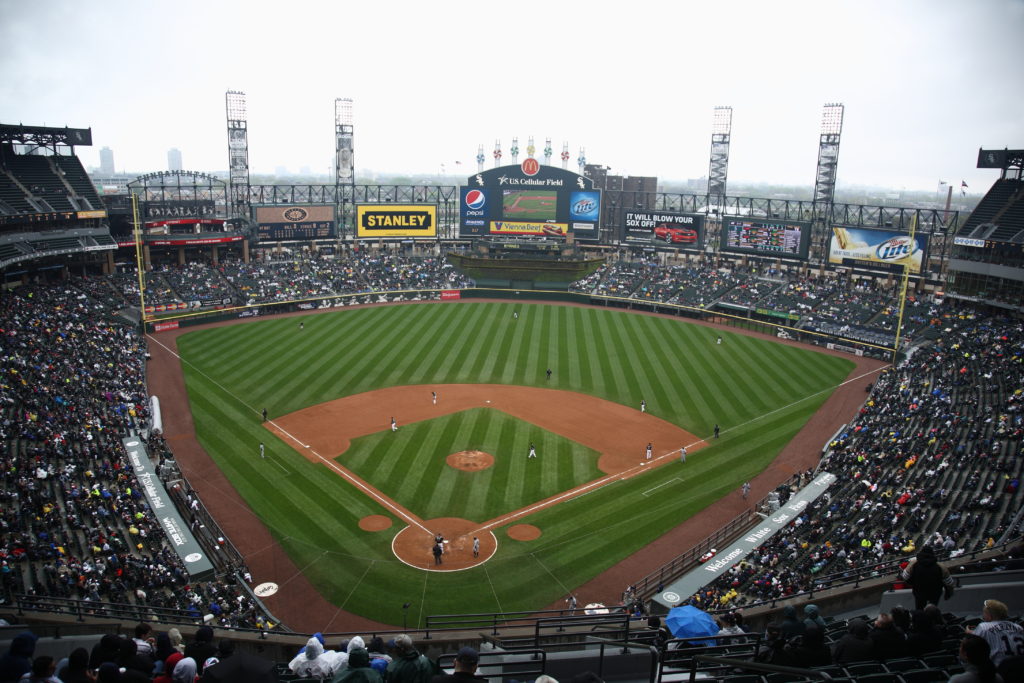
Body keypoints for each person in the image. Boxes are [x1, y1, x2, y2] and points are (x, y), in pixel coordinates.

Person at [969, 599, 1024, 669]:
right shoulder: (1018, 627)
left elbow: (971, 647)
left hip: (999, 671)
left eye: (984, 613)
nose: (983, 616)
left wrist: (971, 634)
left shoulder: (983, 627)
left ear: (990, 616)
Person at [900, 545, 955, 609]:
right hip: (935, 593)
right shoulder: (940, 566)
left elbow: (905, 576)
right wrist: (948, 594)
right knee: (932, 610)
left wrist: (913, 583)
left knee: (919, 609)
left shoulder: (913, 564)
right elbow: (949, 583)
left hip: (919, 592)